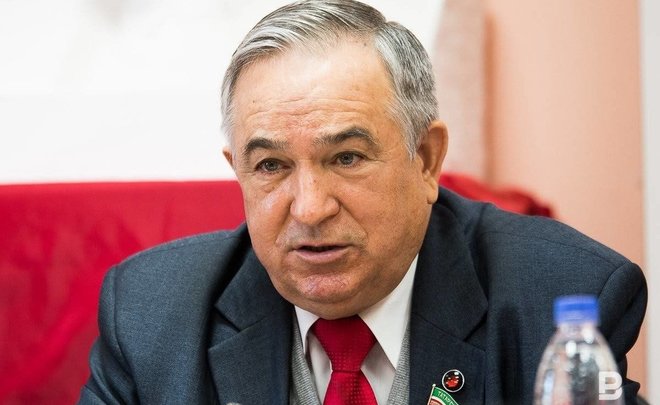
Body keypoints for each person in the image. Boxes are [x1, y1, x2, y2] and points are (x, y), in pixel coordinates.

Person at [78, 0, 647, 404]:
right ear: (239, 172)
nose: (309, 209)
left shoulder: (558, 301)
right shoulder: (151, 315)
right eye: (271, 166)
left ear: (425, 159)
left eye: (346, 157)